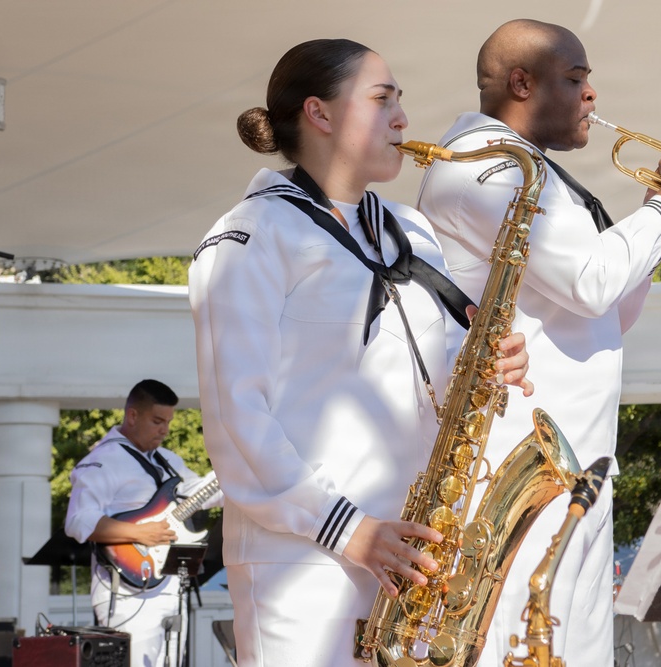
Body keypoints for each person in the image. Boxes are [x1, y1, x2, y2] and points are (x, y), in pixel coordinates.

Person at [188, 39, 533, 667]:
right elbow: (237, 420)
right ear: (320, 114)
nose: (403, 118)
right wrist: (349, 529)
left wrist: (491, 362)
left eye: (400, 99)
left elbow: (437, 372)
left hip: (412, 552)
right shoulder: (249, 235)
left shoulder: (412, 230)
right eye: (382, 99)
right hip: (302, 564)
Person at [415, 19, 661, 667]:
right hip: (516, 479)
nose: (592, 95)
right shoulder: (483, 165)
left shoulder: (535, 171)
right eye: (576, 78)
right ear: (521, 82)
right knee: (517, 646)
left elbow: (607, 316)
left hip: (576, 471)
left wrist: (659, 222)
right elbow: (591, 284)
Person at [65, 379, 223, 667]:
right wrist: (138, 533)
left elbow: (198, 493)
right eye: (157, 421)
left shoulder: (167, 459)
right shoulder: (102, 460)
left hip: (170, 583)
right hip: (127, 591)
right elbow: (78, 521)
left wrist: (234, 474)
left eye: (168, 422)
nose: (164, 430)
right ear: (133, 416)